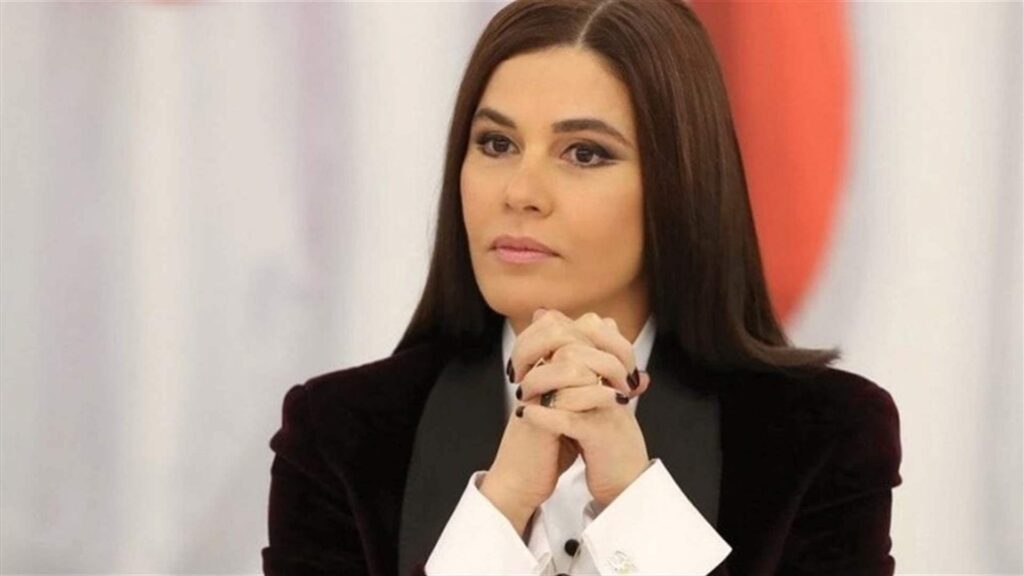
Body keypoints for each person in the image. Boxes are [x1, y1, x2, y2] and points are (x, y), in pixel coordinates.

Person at [261, 0, 902, 574]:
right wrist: (499, 509)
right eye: (496, 143)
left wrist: (635, 505)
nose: (520, 192)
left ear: (680, 186)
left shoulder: (823, 436)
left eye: (585, 153)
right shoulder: (338, 435)